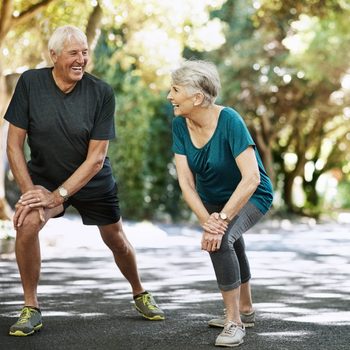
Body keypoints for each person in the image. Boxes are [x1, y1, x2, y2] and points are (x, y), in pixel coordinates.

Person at [5, 25, 164, 337]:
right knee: (26, 223)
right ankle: (30, 307)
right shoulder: (30, 83)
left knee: (116, 239)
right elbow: (13, 145)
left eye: (85, 52)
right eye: (73, 53)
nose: (81, 59)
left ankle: (139, 291)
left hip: (91, 180)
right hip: (45, 177)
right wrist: (29, 193)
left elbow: (96, 158)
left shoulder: (101, 92)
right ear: (53, 56)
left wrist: (60, 195)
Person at [167, 60, 273, 347]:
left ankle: (234, 322)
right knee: (229, 239)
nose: (170, 96)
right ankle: (246, 310)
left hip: (251, 194)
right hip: (213, 200)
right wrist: (207, 219)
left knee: (222, 239)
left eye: (175, 90)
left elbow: (251, 178)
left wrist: (220, 222)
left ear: (197, 97)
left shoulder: (230, 121)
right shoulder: (180, 124)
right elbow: (186, 184)